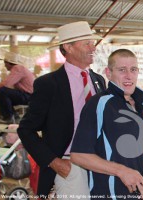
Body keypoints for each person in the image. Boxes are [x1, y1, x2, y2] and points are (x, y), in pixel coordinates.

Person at [17, 21, 106, 199]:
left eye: (93, 42)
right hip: (69, 166)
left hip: (100, 165)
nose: (93, 47)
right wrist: (54, 162)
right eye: (87, 43)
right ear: (68, 47)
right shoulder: (49, 84)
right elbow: (26, 129)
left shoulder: (99, 81)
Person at [70, 49, 143, 199]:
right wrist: (121, 171)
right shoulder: (99, 104)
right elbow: (78, 155)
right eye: (122, 70)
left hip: (141, 195)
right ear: (108, 73)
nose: (129, 76)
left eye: (133, 69)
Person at [0, 52, 35, 124]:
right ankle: (13, 116)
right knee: (3, 93)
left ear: (9, 63)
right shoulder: (20, 68)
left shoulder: (17, 68)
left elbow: (7, 84)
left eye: (5, 63)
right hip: (29, 95)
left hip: (29, 96)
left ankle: (8, 117)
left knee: (3, 91)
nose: (5, 65)